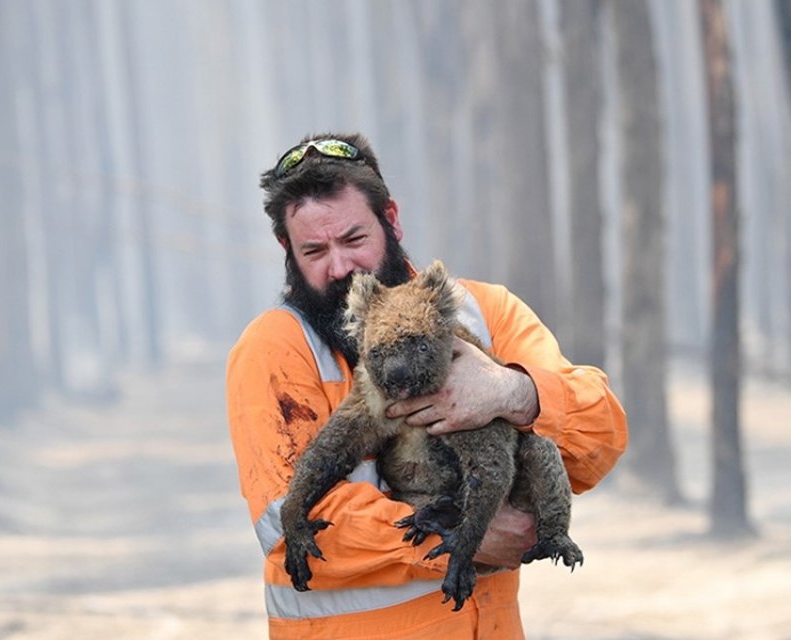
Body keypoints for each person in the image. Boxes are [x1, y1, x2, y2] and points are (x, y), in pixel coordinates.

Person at [226, 132, 627, 639]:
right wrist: (456, 538)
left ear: (391, 220)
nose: (340, 266)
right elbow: (284, 520)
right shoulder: (275, 347)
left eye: (353, 240)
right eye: (314, 250)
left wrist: (513, 393)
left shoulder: (482, 311)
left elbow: (600, 436)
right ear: (287, 249)